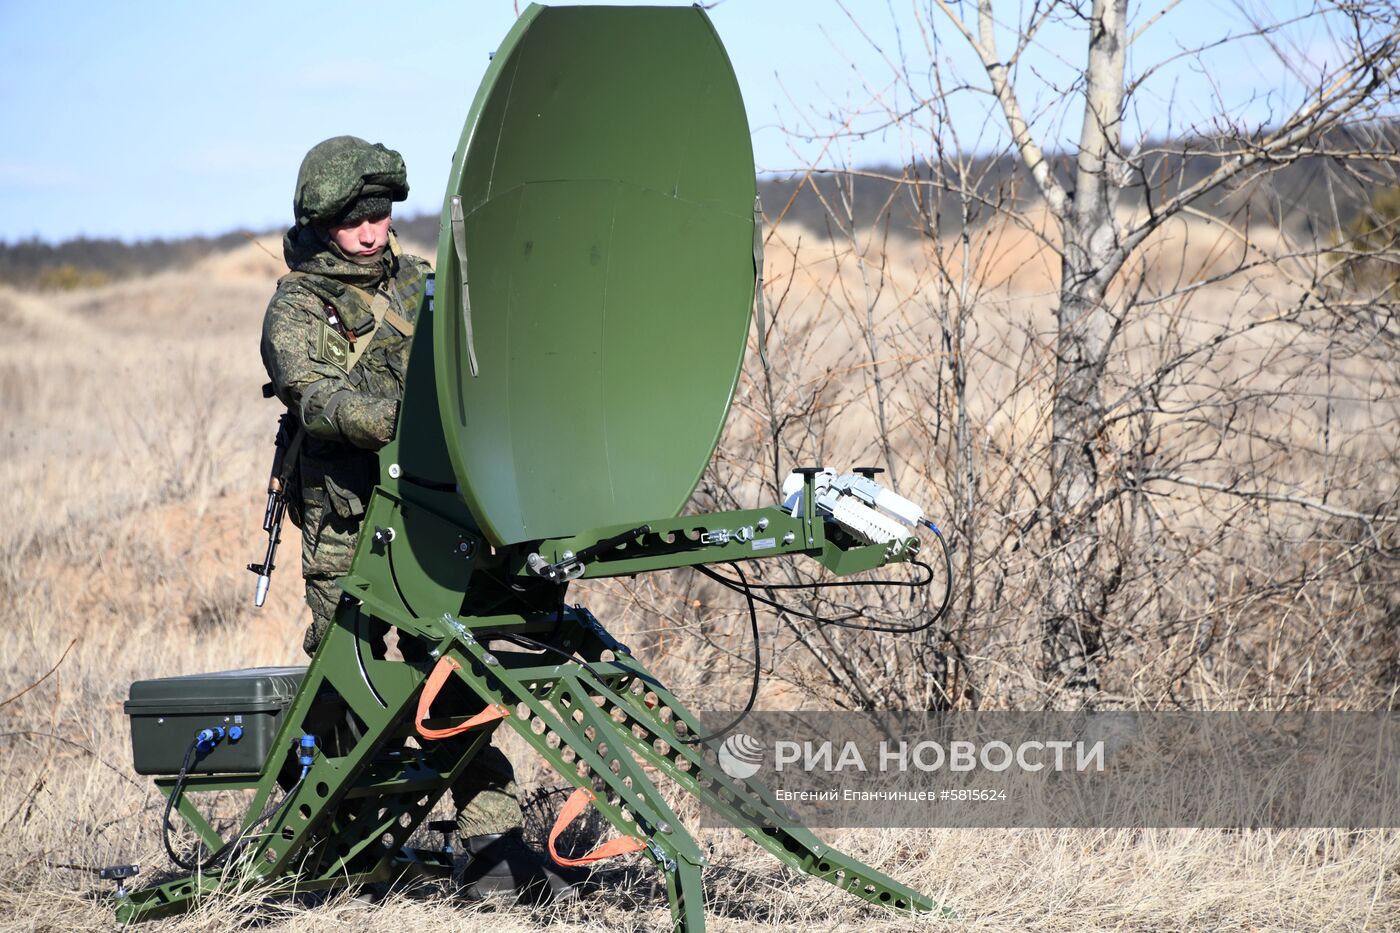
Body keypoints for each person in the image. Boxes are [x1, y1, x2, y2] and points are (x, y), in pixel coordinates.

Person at [260, 135, 579, 902]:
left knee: (458, 674)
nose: (372, 231)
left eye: (381, 214)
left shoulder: (422, 284)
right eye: (353, 219)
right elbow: (316, 397)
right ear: (321, 221)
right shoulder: (299, 304)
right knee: (352, 689)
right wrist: (401, 419)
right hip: (347, 526)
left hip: (432, 519)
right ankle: (326, 852)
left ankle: (493, 853)